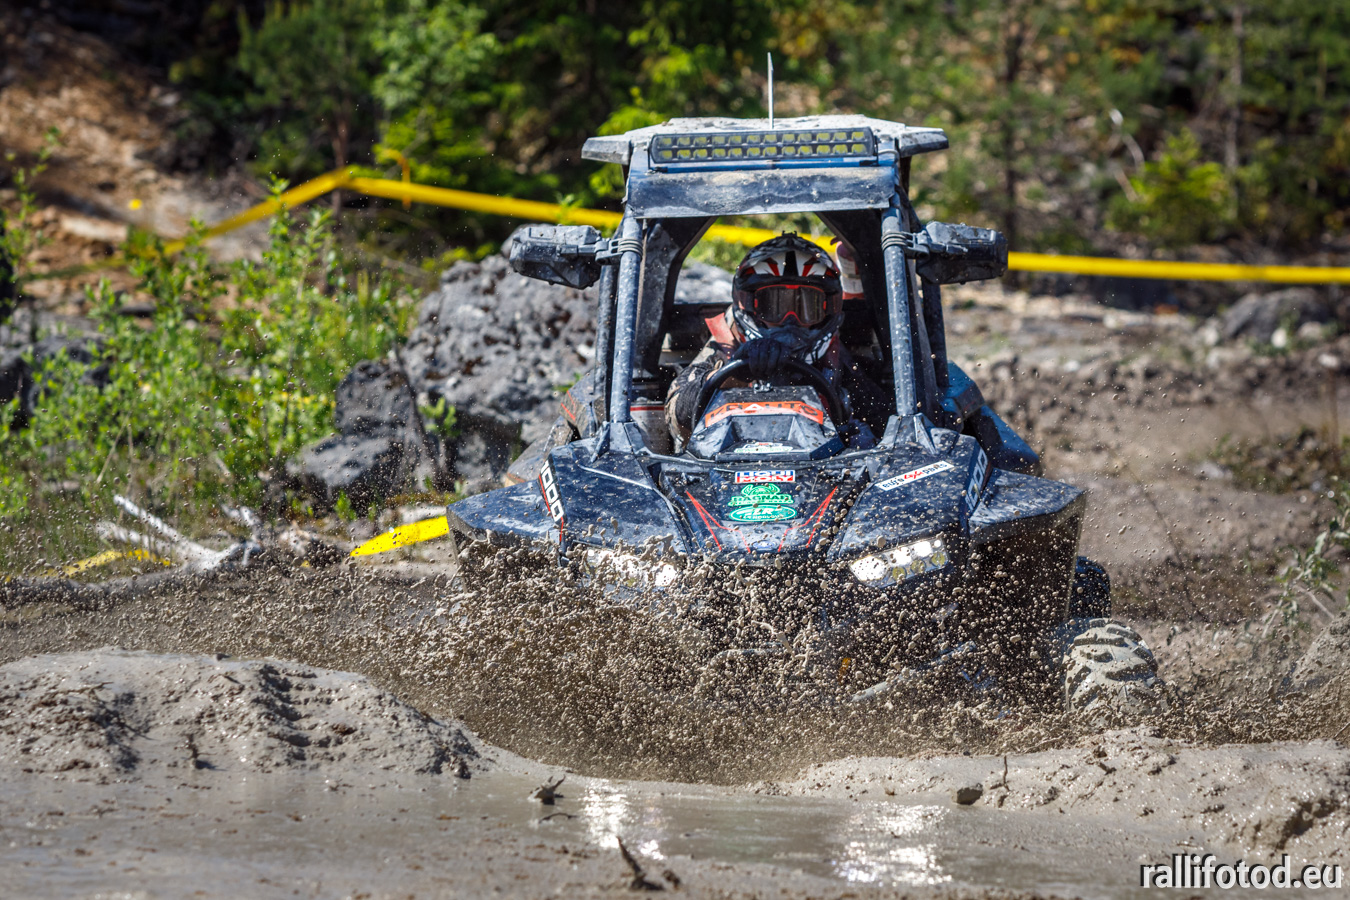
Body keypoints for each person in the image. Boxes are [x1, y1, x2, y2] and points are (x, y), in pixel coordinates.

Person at [665, 233, 888, 447]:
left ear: (828, 310)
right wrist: (734, 374)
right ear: (748, 305)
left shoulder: (837, 357)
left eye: (807, 307)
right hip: (727, 465)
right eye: (772, 306)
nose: (790, 320)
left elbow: (885, 424)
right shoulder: (726, 342)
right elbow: (677, 419)